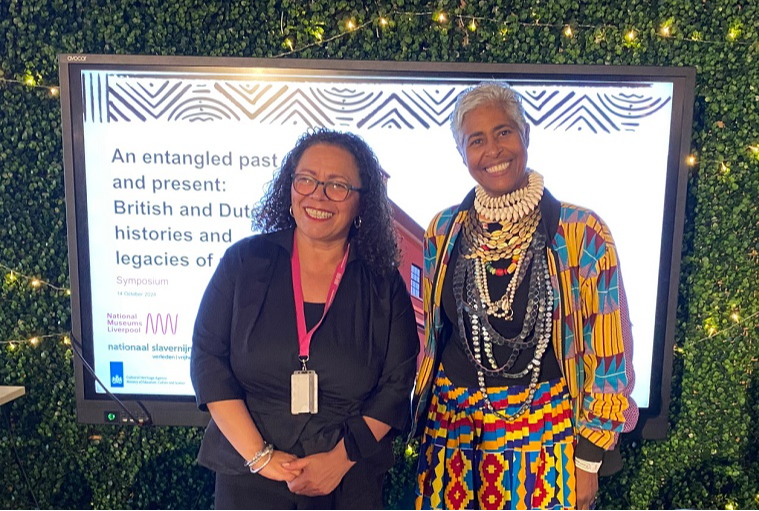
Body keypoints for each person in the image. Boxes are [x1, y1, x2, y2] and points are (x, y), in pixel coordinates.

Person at [411, 82, 639, 510]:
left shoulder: (581, 232)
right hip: (453, 432)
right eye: (475, 140)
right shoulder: (442, 231)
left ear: (526, 135)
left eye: (504, 132)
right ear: (462, 154)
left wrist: (588, 460)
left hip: (545, 434)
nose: (493, 150)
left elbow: (610, 354)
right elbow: (434, 340)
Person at [191, 128, 420, 510]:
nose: (318, 195)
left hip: (347, 479)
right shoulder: (243, 263)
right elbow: (208, 362)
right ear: (290, 187)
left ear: (362, 202)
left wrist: (339, 460)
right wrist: (260, 457)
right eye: (307, 180)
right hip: (248, 476)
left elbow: (397, 386)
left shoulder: (383, 283)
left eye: (338, 185)